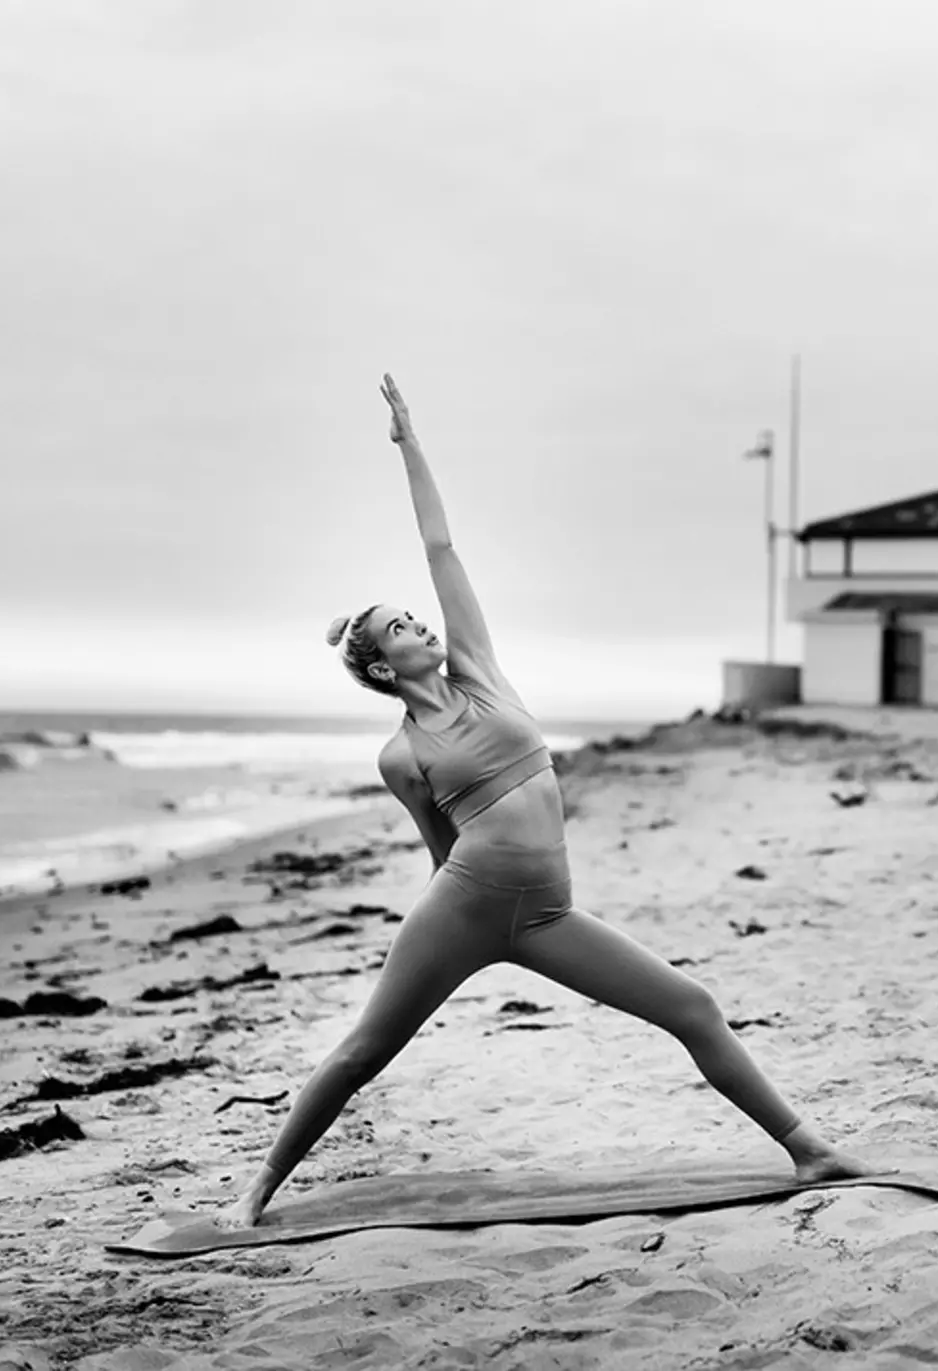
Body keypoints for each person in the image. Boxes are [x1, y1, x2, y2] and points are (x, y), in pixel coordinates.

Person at [217, 375, 871, 1228]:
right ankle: (255, 1191)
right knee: (363, 1052)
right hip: (465, 907)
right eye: (400, 627)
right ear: (380, 664)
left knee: (691, 1007)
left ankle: (810, 1149)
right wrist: (452, 929)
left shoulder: (479, 670)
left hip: (547, 912)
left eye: (413, 616)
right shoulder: (400, 754)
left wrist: (410, 442)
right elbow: (439, 847)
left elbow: (441, 547)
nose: (420, 624)